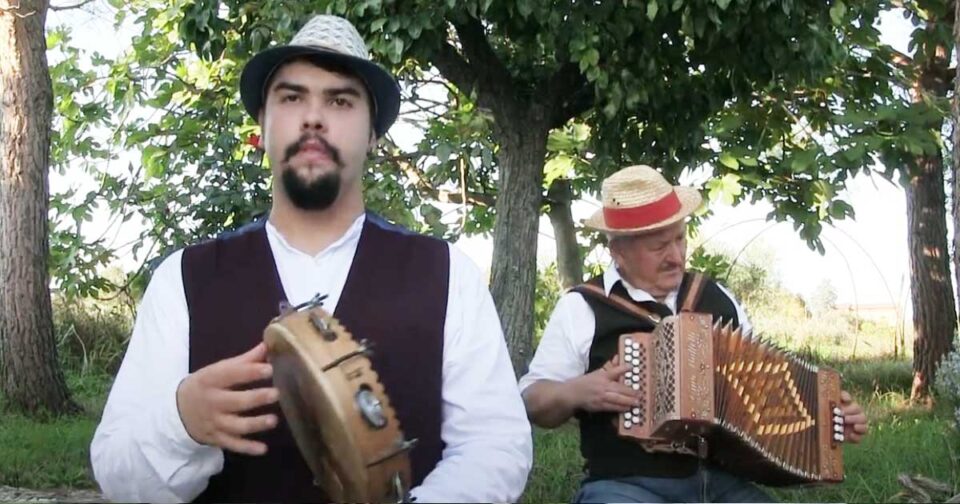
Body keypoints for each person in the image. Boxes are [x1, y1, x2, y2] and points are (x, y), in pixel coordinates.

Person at [91, 14, 531, 503]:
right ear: (263, 123)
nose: (314, 117)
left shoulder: (447, 274)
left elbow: (497, 446)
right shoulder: (186, 279)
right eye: (292, 97)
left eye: (341, 100)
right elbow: (117, 475)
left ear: (373, 136)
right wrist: (183, 422)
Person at [519, 165, 869, 503]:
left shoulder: (716, 297)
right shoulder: (583, 307)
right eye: (659, 247)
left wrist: (827, 418)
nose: (676, 256)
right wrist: (576, 391)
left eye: (680, 239)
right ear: (618, 252)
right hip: (627, 486)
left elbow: (765, 389)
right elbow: (532, 400)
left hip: (723, 482)